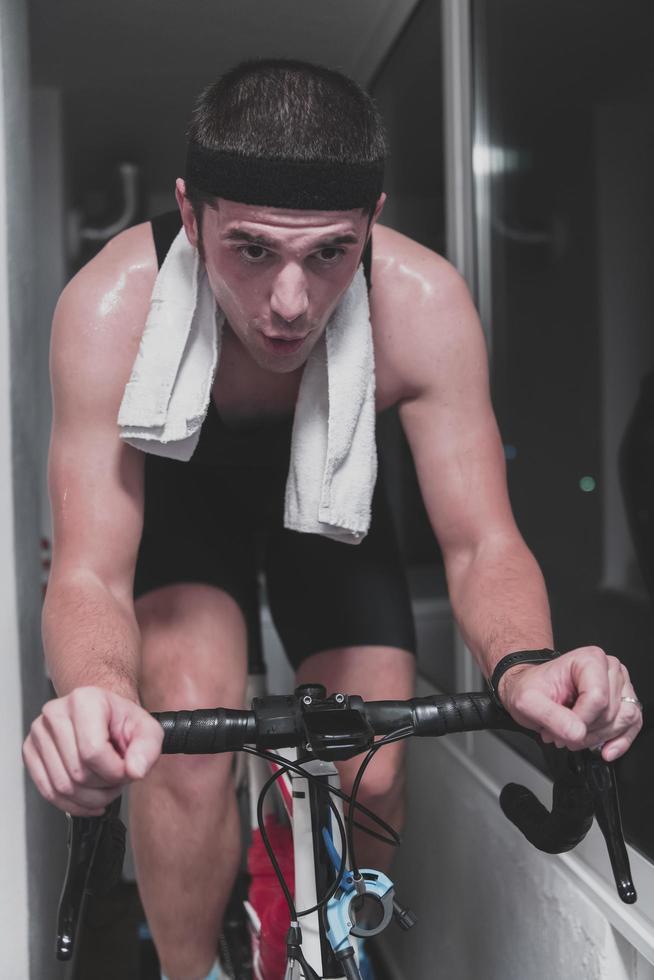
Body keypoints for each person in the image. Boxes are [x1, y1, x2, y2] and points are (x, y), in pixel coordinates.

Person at [22, 59, 642, 980]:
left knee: (374, 766)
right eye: (254, 250)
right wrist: (98, 699)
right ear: (190, 215)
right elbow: (89, 574)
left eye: (329, 254)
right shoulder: (112, 306)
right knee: (180, 744)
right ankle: (192, 972)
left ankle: (309, 929)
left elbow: (481, 544)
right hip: (183, 505)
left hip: (333, 501)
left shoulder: (421, 304)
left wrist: (526, 665)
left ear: (373, 223)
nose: (291, 303)